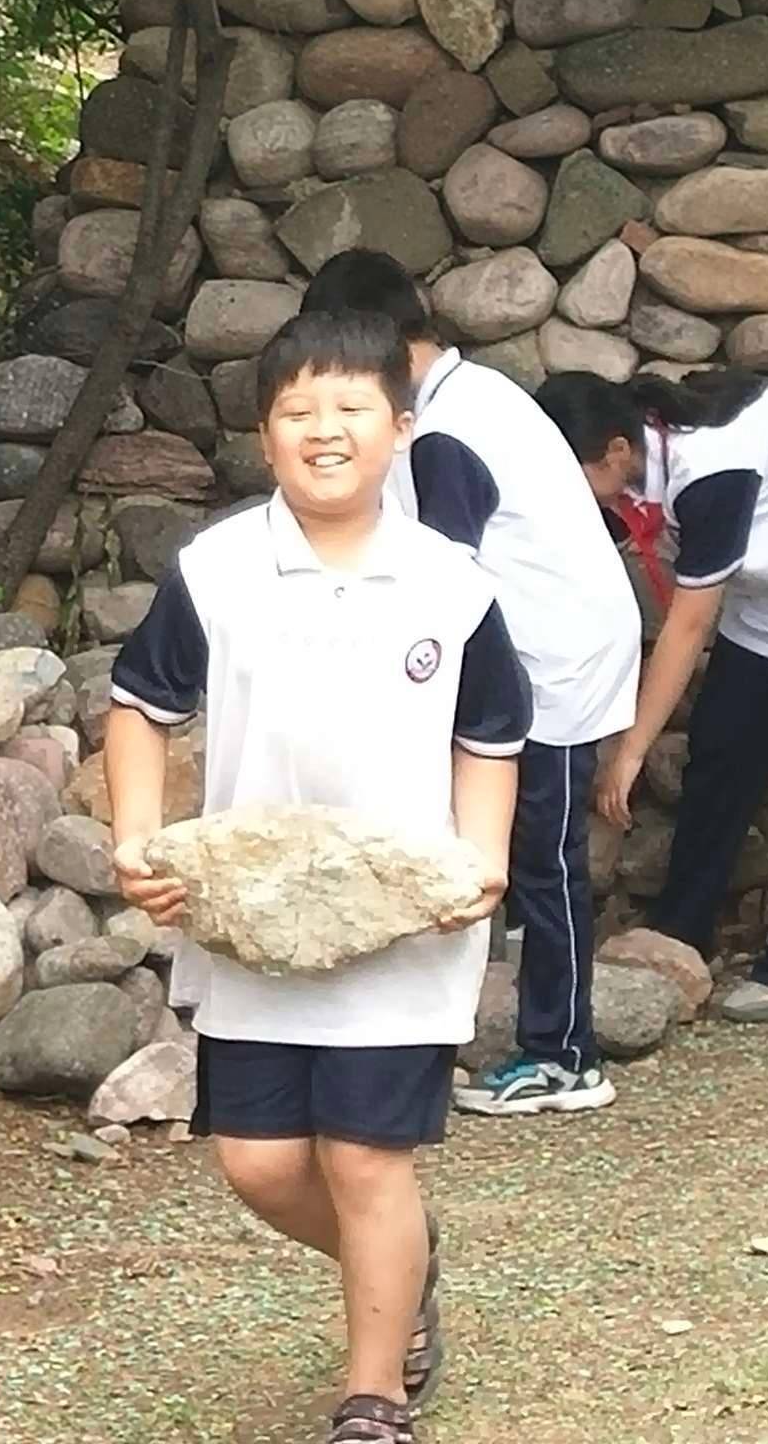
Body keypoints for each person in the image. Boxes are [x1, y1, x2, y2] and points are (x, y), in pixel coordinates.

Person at [106, 310, 528, 1444]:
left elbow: (492, 733)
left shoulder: (453, 585)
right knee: (258, 1162)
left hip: (403, 929)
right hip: (252, 920)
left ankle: (374, 1393)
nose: (325, 430)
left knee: (363, 1155)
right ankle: (404, 1267)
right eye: (298, 410)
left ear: (400, 427)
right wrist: (139, 837)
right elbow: (141, 706)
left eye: (351, 408)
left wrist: (481, 857)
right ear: (264, 432)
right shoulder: (219, 568)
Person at [301, 250, 640, 1117]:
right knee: (524, 854)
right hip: (542, 650)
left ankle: (565, 1056)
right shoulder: (469, 393)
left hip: (550, 660)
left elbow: (440, 578)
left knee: (546, 858)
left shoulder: (449, 428)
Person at [537, 368, 768, 1021]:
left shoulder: (709, 468)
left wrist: (629, 749)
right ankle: (679, 937)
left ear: (616, 453)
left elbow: (688, 624)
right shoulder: (635, 460)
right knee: (717, 770)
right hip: (760, 614)